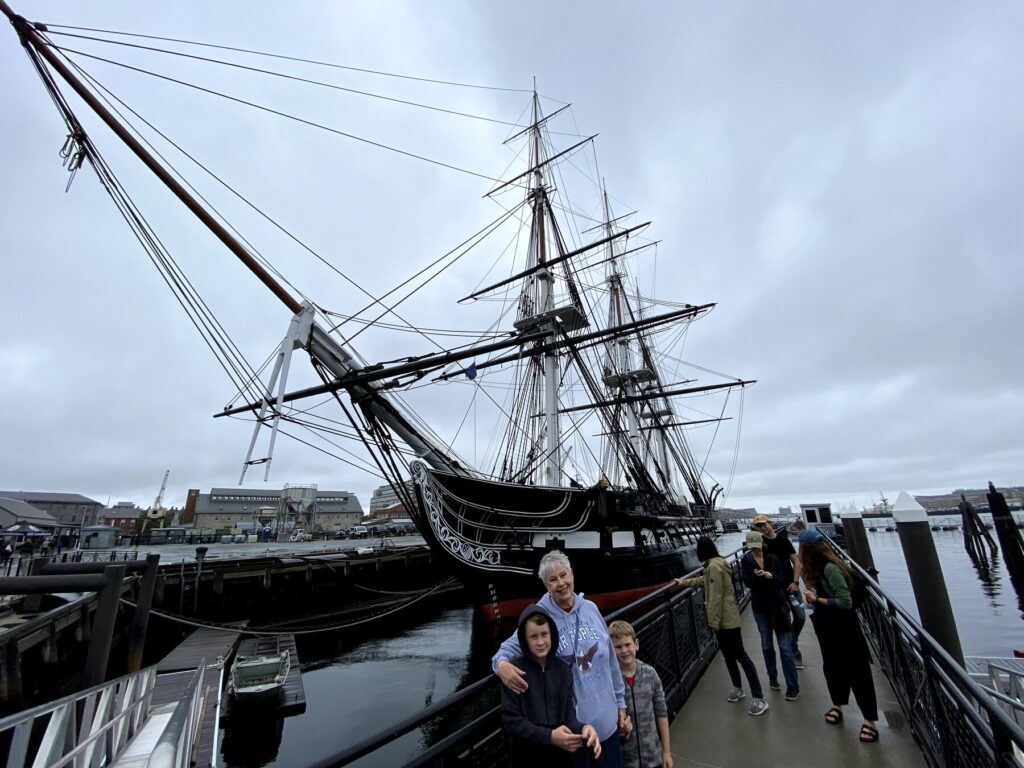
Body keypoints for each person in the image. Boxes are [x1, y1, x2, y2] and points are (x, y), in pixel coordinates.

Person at [493, 550, 632, 767]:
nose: (561, 583)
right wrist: (501, 665)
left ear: (572, 575)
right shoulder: (541, 617)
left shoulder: (591, 609)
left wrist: (621, 705)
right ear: (546, 585)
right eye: (553, 579)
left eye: (564, 575)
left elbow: (611, 663)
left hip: (608, 724)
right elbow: (508, 648)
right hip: (576, 733)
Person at [798, 528, 879, 743]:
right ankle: (838, 704)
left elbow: (845, 602)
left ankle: (869, 720)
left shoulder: (831, 569)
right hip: (828, 627)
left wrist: (816, 600)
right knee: (832, 667)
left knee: (857, 670)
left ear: (806, 549)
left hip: (844, 626)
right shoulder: (817, 568)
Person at [676, 537, 768, 716]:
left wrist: (714, 622)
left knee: (740, 655)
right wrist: (684, 582)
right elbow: (706, 581)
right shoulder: (716, 564)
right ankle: (738, 688)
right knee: (728, 655)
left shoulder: (714, 567)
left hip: (727, 621)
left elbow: (716, 597)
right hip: (726, 618)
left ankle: (759, 697)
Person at [502, 607, 602, 767]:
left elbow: (569, 718)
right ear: (524, 639)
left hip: (560, 758)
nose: (540, 642)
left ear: (552, 635)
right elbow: (511, 720)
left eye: (544, 634)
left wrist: (584, 728)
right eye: (533, 637)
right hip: (527, 757)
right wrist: (549, 736)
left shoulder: (563, 671)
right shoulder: (515, 672)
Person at [740, 530, 800, 701]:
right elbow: (747, 581)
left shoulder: (772, 559)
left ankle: (792, 686)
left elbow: (781, 579)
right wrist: (758, 577)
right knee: (766, 644)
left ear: (761, 543)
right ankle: (772, 676)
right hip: (760, 607)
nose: (754, 550)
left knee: (785, 648)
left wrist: (771, 576)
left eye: (756, 546)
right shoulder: (746, 560)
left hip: (777, 605)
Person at [608, 620, 673, 768]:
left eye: (627, 644)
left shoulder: (650, 674)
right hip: (625, 759)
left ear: (636, 644)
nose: (624, 650)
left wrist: (666, 752)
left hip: (653, 757)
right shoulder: (610, 681)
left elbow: (661, 712)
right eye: (618, 647)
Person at [752, 514, 806, 668]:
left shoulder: (783, 540)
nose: (762, 528)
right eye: (759, 526)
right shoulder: (760, 544)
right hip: (775, 589)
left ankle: (792, 641)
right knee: (785, 620)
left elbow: (796, 561)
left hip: (791, 585)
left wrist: (796, 581)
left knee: (801, 617)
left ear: (770, 523)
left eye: (764, 524)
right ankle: (794, 651)